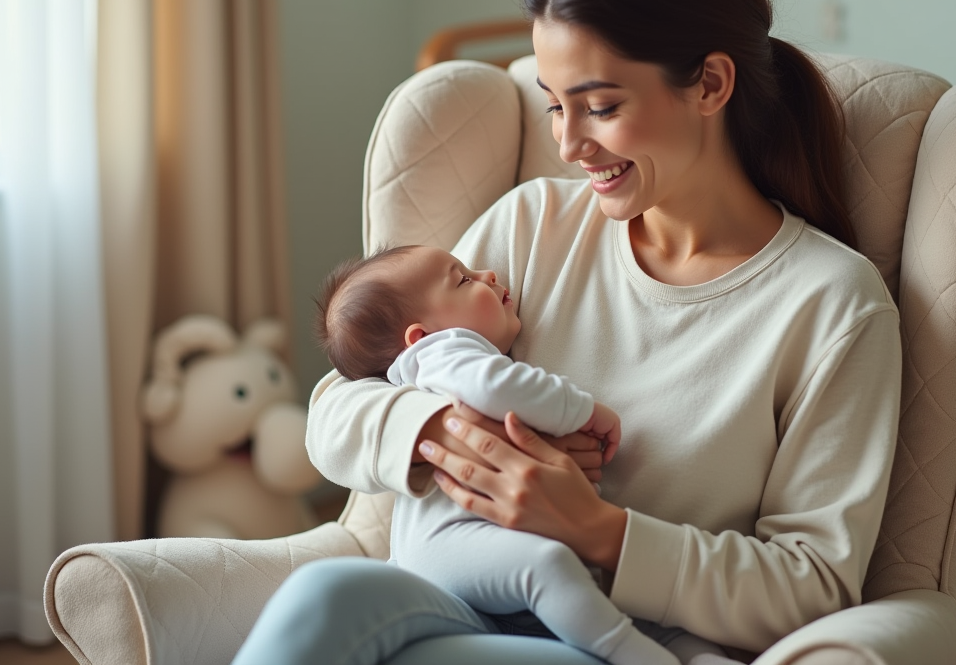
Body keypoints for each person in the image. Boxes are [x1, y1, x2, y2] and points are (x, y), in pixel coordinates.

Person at [234, 0, 902, 665]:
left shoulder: (831, 305)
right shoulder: (532, 225)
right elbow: (337, 404)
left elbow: (812, 587)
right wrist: (436, 432)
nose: (567, 143)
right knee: (326, 597)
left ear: (712, 84)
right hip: (462, 605)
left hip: (617, 643)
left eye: (601, 107)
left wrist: (594, 529)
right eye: (555, 107)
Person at [308, 243, 723, 664]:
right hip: (449, 542)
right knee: (549, 568)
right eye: (464, 279)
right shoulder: (442, 352)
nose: (488, 273)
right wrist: (578, 409)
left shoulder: (437, 362)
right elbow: (494, 387)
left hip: (469, 561)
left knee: (615, 601)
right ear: (419, 336)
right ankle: (633, 655)